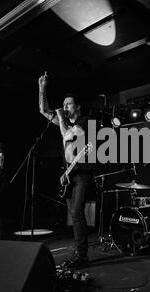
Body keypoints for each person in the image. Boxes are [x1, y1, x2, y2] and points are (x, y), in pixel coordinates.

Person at [38, 71, 94, 268]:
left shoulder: (84, 122)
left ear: (77, 107)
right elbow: (44, 110)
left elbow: (68, 135)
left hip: (82, 174)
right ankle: (80, 251)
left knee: (77, 212)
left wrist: (60, 116)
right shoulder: (65, 120)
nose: (64, 106)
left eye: (68, 104)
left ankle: (83, 255)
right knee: (73, 213)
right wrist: (42, 88)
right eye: (64, 104)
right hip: (70, 174)